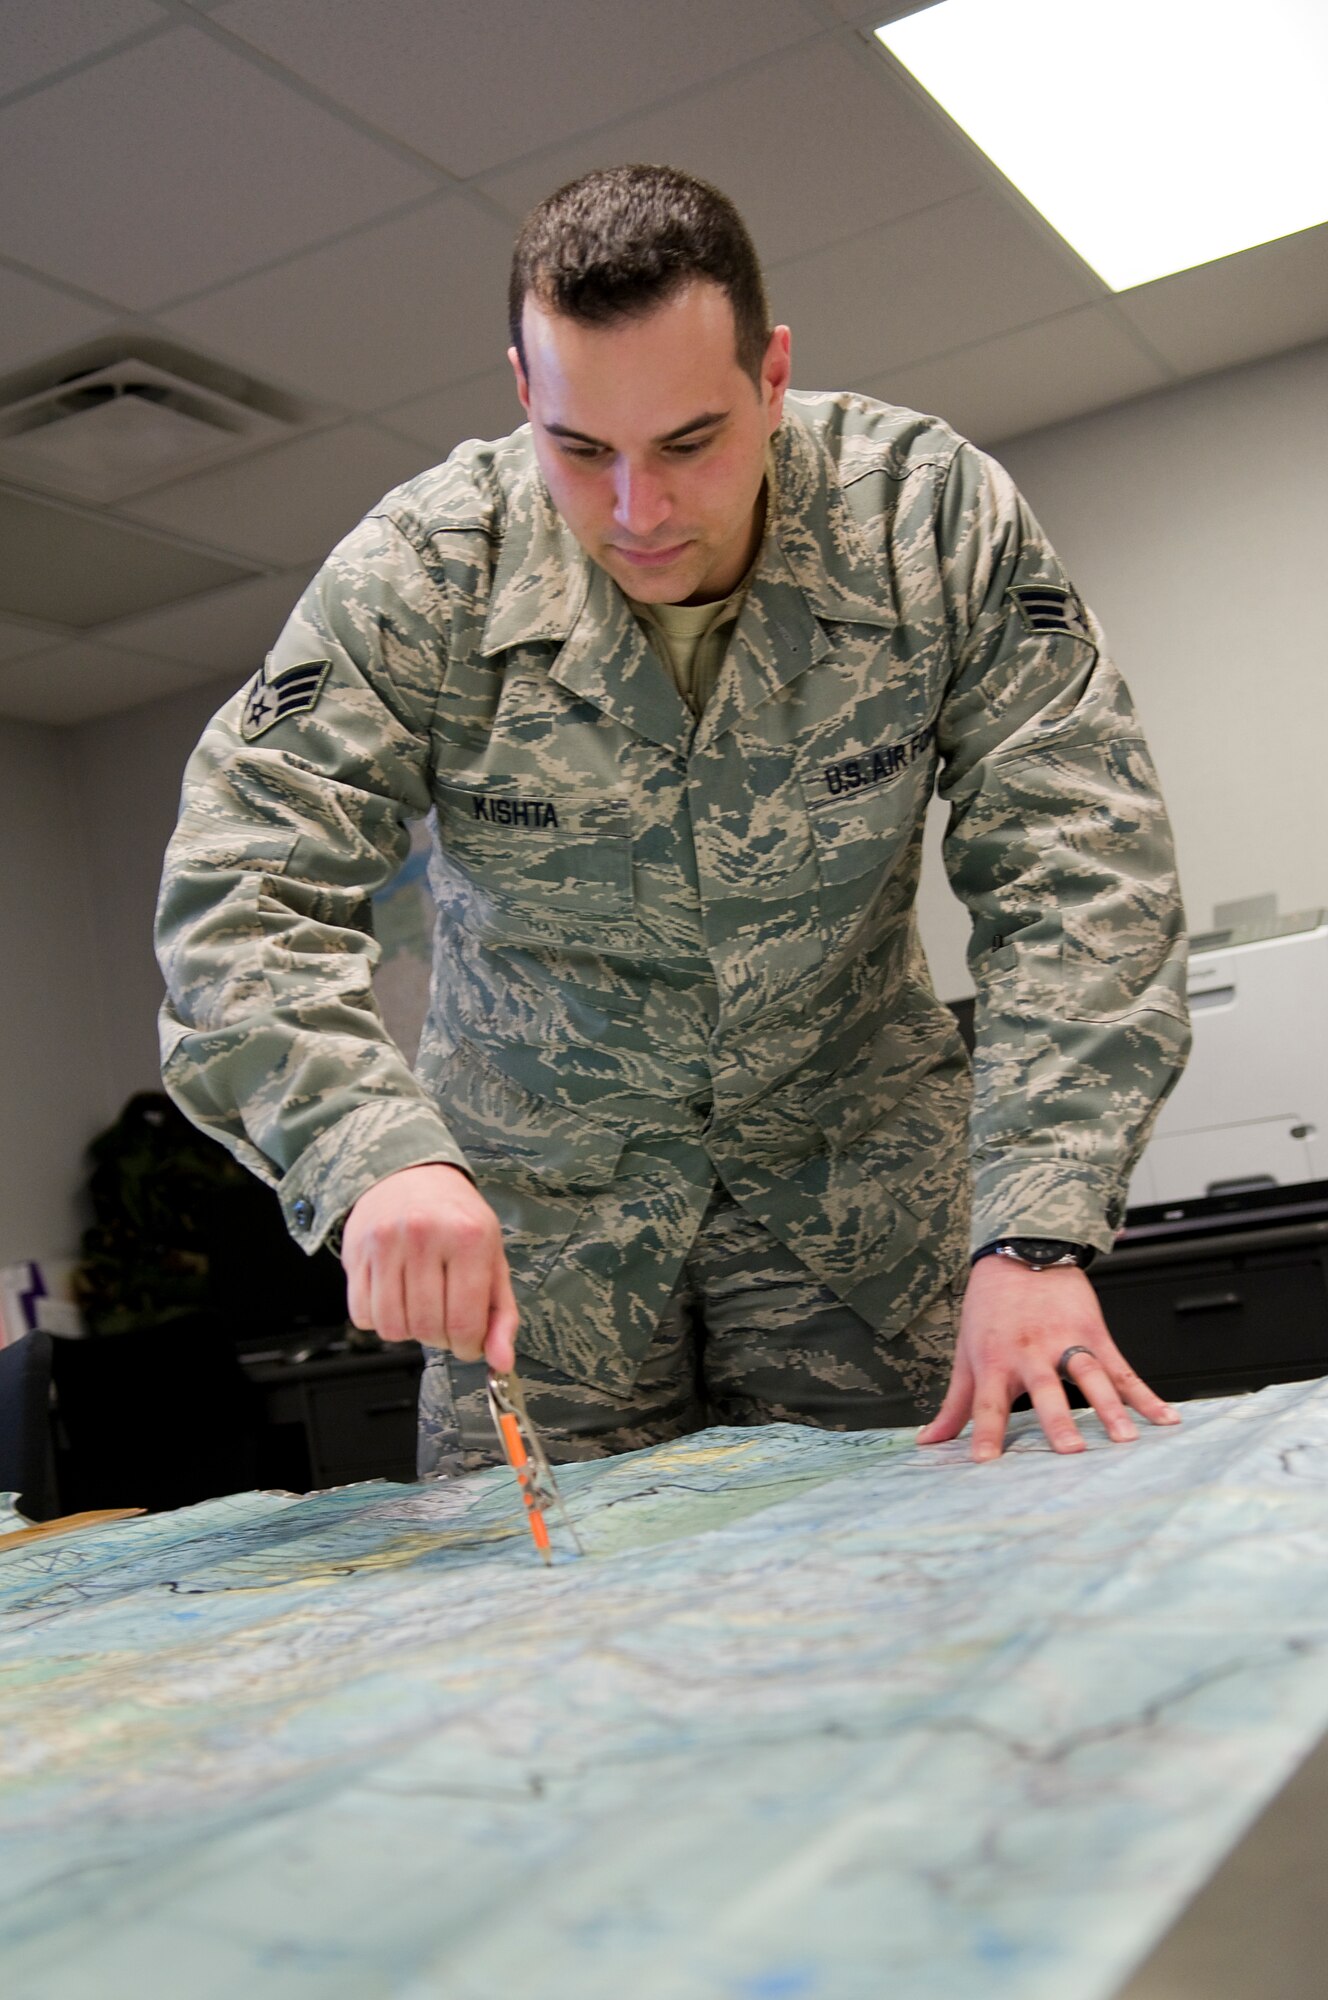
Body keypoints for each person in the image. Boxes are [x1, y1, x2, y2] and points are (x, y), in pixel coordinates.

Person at [156, 164, 1190, 1475]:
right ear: (525, 391)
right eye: (582, 451)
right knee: (554, 1662)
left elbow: (1079, 858)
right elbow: (242, 886)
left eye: (690, 442)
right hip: (540, 1264)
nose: (637, 514)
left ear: (772, 378)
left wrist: (1035, 1229)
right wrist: (370, 1152)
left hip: (863, 1221)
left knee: (923, 1623)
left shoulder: (925, 524)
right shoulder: (425, 574)